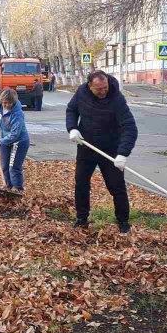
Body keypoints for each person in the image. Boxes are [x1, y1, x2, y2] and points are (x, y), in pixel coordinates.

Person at [66, 70, 138, 234]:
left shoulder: (116, 98)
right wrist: (72, 129)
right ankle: (82, 219)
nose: (103, 91)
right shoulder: (81, 93)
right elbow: (71, 110)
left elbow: (130, 127)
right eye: (99, 89)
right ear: (90, 86)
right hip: (87, 147)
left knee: (116, 187)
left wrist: (122, 153)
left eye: (105, 87)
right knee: (81, 183)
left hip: (110, 149)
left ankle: (123, 222)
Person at [0, 88, 30, 192]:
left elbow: (14, 134)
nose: (6, 105)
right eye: (4, 103)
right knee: (5, 166)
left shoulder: (17, 114)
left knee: (14, 168)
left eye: (9, 103)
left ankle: (18, 191)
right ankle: (9, 188)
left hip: (19, 142)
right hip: (5, 140)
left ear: (13, 102)